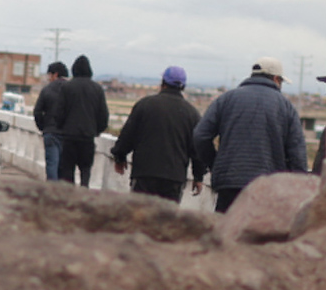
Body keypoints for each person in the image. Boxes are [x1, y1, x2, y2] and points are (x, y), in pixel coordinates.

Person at [193, 56, 308, 214]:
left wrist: (215, 164)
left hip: (229, 183)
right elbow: (297, 152)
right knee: (260, 234)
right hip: (269, 187)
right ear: (276, 79)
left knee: (225, 232)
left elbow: (200, 136)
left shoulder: (226, 99)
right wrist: (298, 189)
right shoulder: (285, 106)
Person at [110, 66, 203, 203]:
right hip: (174, 178)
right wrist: (198, 177)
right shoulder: (192, 114)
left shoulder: (145, 105)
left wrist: (119, 156)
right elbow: (196, 150)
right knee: (165, 221)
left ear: (163, 82)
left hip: (144, 174)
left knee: (139, 217)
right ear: (183, 87)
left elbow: (127, 136)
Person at [54, 55, 109, 186]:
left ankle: (70, 198)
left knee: (67, 170)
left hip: (69, 137)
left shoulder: (67, 88)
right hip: (87, 137)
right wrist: (96, 130)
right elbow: (103, 115)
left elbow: (58, 113)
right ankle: (84, 192)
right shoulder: (97, 89)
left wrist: (62, 127)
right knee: (85, 170)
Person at [33, 61, 69, 180]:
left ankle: (52, 190)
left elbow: (37, 111)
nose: (49, 78)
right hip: (68, 133)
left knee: (52, 164)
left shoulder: (47, 89)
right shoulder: (71, 89)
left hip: (51, 132)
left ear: (55, 74)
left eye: (49, 75)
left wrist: (43, 127)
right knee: (64, 166)